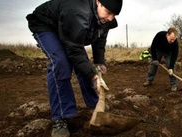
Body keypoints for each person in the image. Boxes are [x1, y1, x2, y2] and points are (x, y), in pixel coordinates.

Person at [26, 0, 122, 136]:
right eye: (108, 12)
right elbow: (74, 50)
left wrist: (100, 62)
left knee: (85, 66)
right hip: (47, 26)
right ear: (98, 2)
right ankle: (60, 117)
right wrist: (94, 76)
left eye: (115, 15)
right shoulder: (78, 12)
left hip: (70, 32)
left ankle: (96, 106)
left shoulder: (106, 19)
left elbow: (100, 40)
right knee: (60, 63)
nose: (111, 18)